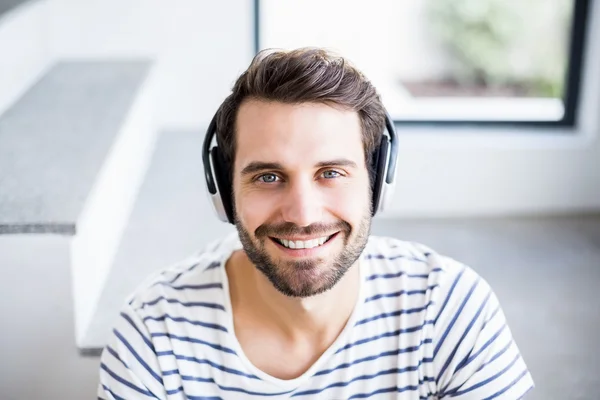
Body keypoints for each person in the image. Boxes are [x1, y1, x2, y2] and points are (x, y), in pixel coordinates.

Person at [97, 48, 534, 399]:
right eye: (268, 177)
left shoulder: (449, 309)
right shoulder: (153, 336)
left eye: (331, 173)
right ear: (225, 192)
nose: (303, 215)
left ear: (377, 182)